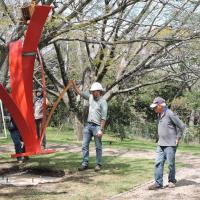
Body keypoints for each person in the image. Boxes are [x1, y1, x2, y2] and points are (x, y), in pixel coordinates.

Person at [148, 97, 186, 190]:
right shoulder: (159, 114)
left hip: (170, 144)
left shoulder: (170, 114)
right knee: (158, 163)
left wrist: (178, 137)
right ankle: (158, 183)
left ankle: (171, 181)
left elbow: (182, 126)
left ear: (160, 105)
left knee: (170, 164)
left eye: (155, 106)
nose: (154, 109)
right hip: (160, 144)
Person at [72, 81, 108, 172]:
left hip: (97, 127)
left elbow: (104, 118)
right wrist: (73, 85)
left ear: (99, 91)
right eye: (91, 91)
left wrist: (101, 129)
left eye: (94, 91)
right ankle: (85, 164)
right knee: (84, 145)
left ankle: (98, 164)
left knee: (98, 146)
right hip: (88, 125)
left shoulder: (103, 102)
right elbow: (80, 93)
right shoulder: (90, 97)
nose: (92, 92)